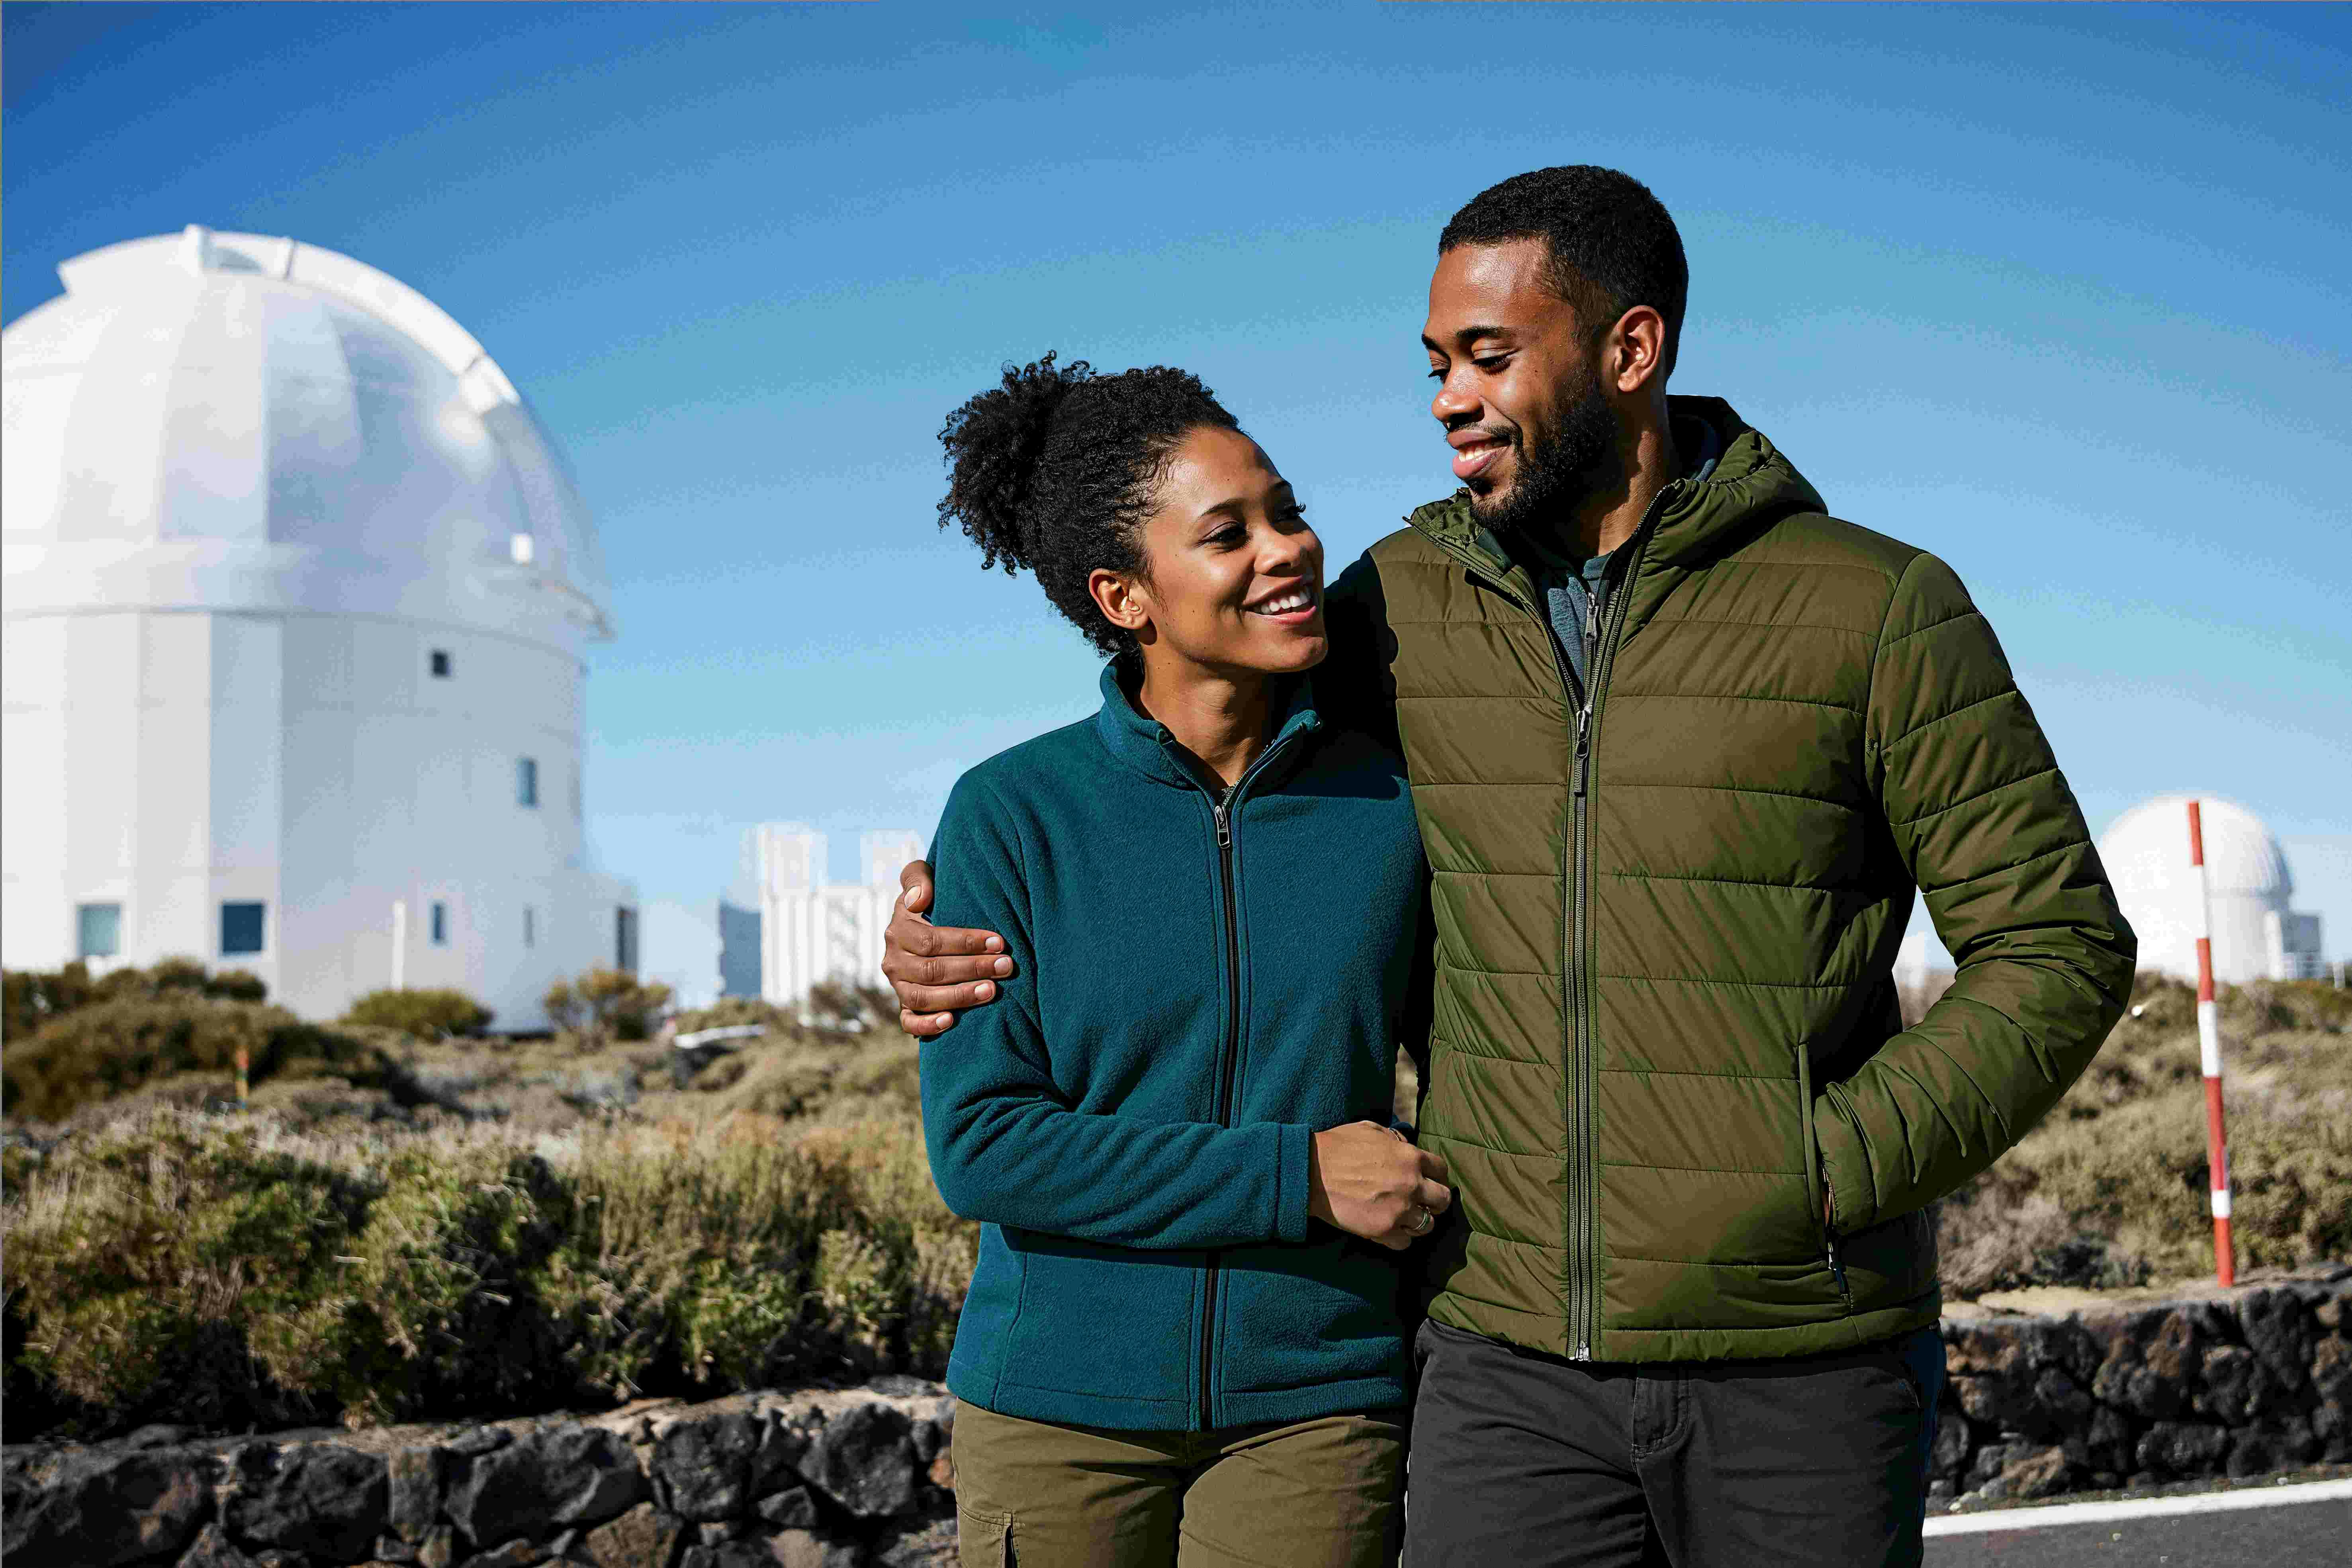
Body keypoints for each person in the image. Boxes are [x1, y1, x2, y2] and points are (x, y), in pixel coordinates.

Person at [886, 168, 2136, 1568]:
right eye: (1434, 364)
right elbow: (1181, 745)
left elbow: (2058, 944)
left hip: (1801, 1352)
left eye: (1486, 356)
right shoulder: (1392, 608)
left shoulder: (1874, 606)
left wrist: (1825, 1169)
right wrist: (932, 928)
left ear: (1630, 348)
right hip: (1502, 1364)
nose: (1447, 399)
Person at [914, 352, 1449, 1568]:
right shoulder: (1011, 814)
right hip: (1055, 1407)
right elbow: (984, 1144)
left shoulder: (1392, 807)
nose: (1288, 549)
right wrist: (1292, 1177)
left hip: (1314, 1399)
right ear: (1124, 597)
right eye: (1227, 534)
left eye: (1286, 511)